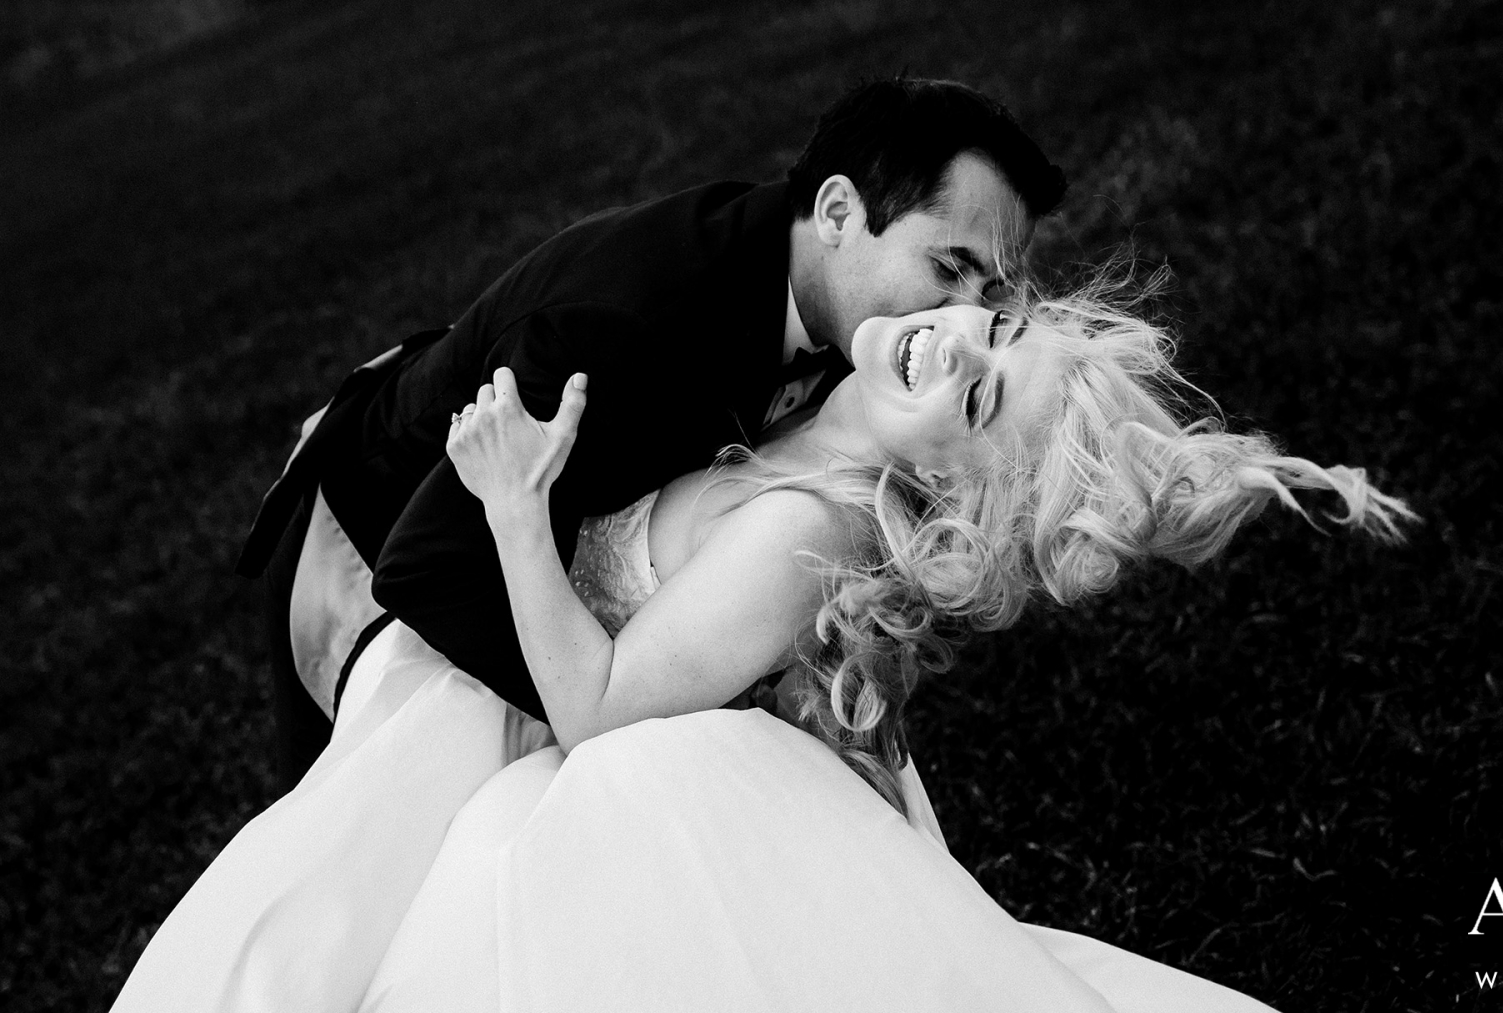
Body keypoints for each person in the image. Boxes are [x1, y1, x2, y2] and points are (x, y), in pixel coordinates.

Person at [111, 268, 1413, 1012]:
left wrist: (515, 505)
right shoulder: (804, 415)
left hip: (551, 726)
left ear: (954, 487)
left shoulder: (803, 528)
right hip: (493, 685)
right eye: (998, 326)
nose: (955, 336)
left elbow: (600, 705)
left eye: (976, 391)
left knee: (304, 943)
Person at [234, 76, 1067, 789]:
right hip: (367, 537)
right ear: (840, 211)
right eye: (949, 268)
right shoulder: (626, 331)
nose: (963, 317)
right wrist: (644, 699)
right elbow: (431, 562)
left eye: (990, 294)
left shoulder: (852, 317)